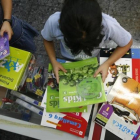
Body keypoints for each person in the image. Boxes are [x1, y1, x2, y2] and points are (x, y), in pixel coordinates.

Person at [41, 0, 132, 83]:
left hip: (93, 58)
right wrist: (53, 61)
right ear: (61, 25)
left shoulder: (109, 26)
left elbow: (127, 42)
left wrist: (108, 63)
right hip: (67, 58)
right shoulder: (53, 22)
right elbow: (47, 39)